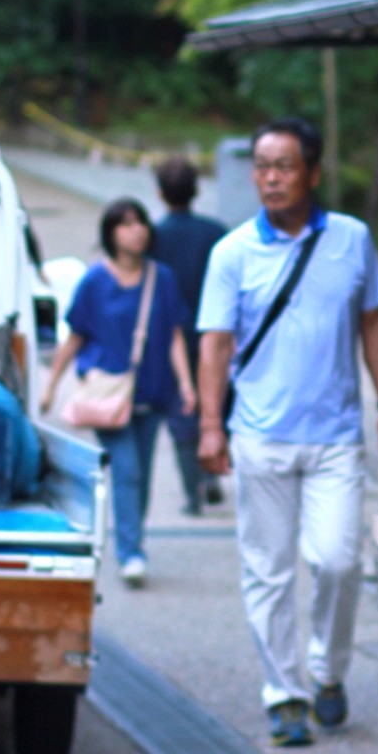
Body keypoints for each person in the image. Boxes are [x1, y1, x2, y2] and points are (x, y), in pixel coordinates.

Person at [196, 117, 378, 748]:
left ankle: (327, 671)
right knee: (269, 570)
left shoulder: (351, 239)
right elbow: (216, 343)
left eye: (284, 166)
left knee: (338, 561)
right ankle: (285, 694)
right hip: (259, 435)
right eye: (262, 165)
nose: (271, 178)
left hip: (337, 434)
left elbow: (373, 323)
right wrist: (210, 425)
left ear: (313, 173)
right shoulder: (231, 252)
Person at [40, 198, 197, 586]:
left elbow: (176, 335)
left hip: (154, 391)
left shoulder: (162, 278)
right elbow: (75, 335)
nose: (136, 230)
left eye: (141, 222)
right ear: (111, 233)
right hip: (108, 396)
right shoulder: (95, 280)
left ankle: (132, 541)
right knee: (126, 472)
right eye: (126, 224)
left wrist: (187, 385)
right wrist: (51, 384)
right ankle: (131, 552)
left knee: (140, 475)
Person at [150, 156, 228, 516]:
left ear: (160, 193)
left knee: (183, 413)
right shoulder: (216, 233)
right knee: (216, 403)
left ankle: (192, 492)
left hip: (171, 337)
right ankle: (212, 474)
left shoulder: (153, 236)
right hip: (215, 331)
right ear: (197, 190)